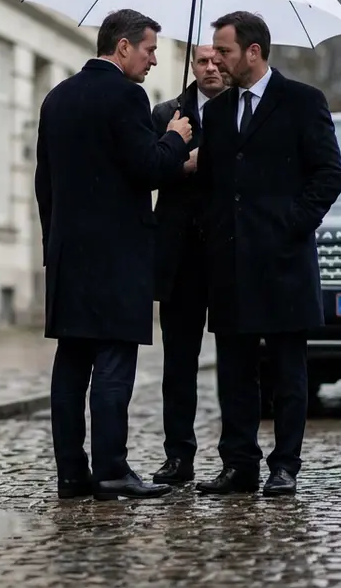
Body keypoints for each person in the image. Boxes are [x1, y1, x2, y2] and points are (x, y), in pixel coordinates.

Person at [34, 9, 194, 501]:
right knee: (112, 364)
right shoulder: (127, 96)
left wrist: (54, 245)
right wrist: (176, 137)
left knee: (70, 364)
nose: (153, 61)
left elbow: (44, 183)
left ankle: (70, 473)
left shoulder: (57, 97)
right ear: (123, 47)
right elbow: (148, 167)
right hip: (118, 256)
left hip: (68, 253)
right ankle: (110, 470)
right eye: (149, 50)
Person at [193, 11, 341, 497]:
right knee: (234, 373)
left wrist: (291, 225)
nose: (216, 60)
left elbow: (329, 174)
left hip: (284, 263)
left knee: (286, 372)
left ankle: (285, 466)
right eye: (214, 51)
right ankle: (239, 465)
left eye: (224, 51)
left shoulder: (303, 101)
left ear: (253, 52)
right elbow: (212, 185)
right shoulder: (216, 111)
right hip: (230, 264)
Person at [148, 45, 228, 485]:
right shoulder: (167, 113)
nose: (211, 68)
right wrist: (184, 164)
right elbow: (147, 172)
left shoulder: (243, 111)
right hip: (180, 256)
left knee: (236, 361)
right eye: (202, 61)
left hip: (228, 252)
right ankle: (178, 456)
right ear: (192, 66)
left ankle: (237, 456)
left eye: (218, 60)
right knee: (179, 362)